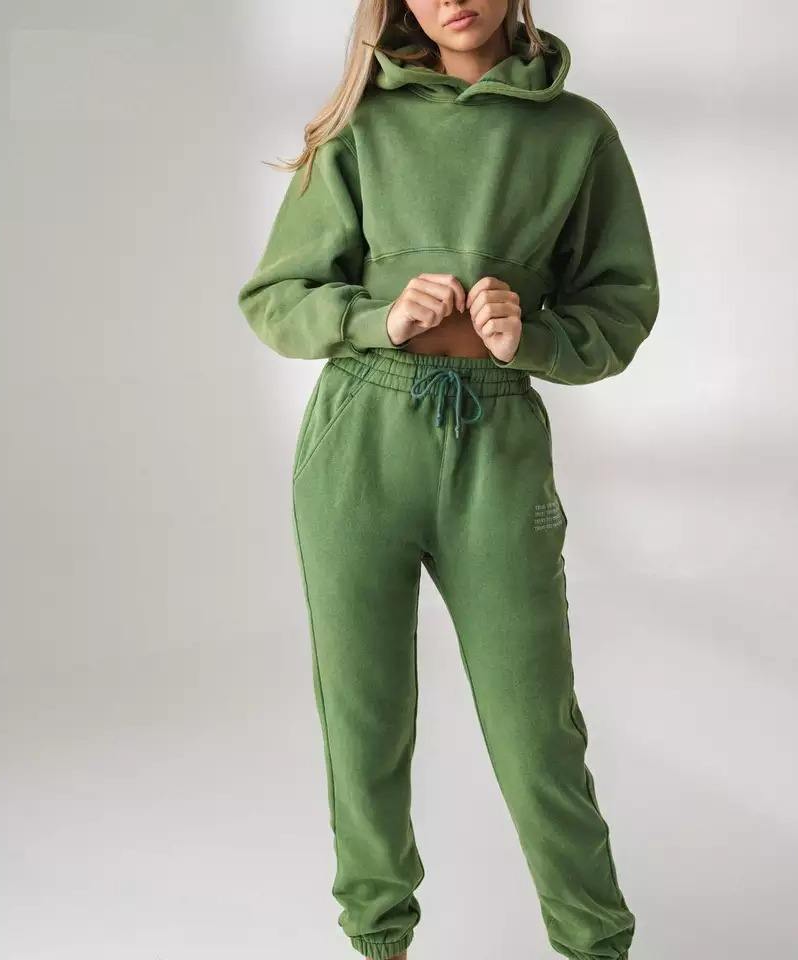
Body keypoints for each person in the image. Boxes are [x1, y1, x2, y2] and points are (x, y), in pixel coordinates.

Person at [237, 2, 659, 958]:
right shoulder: (363, 124)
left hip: (497, 445)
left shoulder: (577, 134)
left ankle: (595, 944)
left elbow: (622, 304)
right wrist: (377, 318)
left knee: (535, 725)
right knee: (363, 717)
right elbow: (276, 297)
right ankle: (379, 939)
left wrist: (533, 336)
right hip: (361, 442)